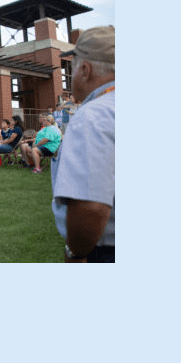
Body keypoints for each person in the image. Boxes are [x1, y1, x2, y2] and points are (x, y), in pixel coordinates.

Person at [51, 25, 115, 263]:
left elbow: (91, 207)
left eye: (73, 68)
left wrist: (76, 253)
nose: (72, 76)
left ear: (85, 70)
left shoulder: (93, 116)